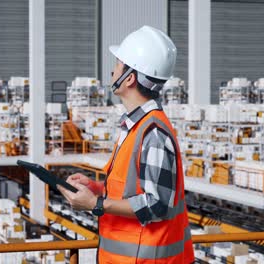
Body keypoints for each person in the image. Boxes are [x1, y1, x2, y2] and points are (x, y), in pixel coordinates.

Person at [58, 25, 195, 263]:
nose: (112, 72)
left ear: (129, 78)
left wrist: (96, 204)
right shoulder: (135, 126)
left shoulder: (153, 133)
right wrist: (96, 188)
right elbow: (133, 188)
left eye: (118, 65)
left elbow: (157, 205)